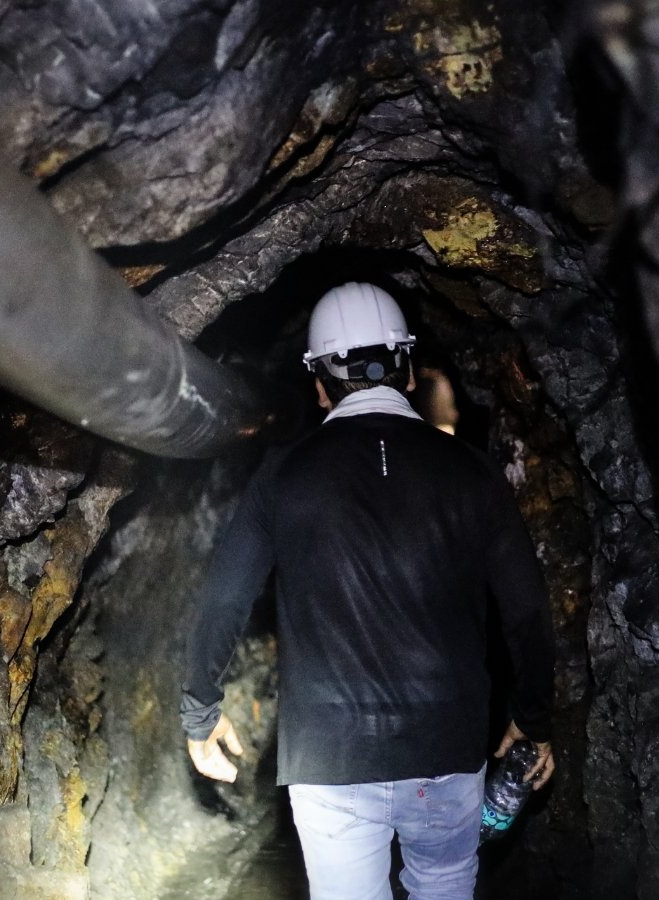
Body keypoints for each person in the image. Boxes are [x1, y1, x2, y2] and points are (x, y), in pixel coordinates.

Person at [180, 281, 556, 900]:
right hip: (447, 744)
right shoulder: (474, 475)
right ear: (407, 370)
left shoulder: (283, 476)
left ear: (319, 384)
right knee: (442, 884)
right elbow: (527, 611)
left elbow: (225, 598)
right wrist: (532, 720)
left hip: (330, 756)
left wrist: (201, 711)